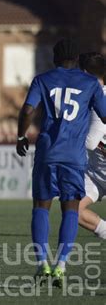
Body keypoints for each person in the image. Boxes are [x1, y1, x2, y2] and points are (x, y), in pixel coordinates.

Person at [16, 39, 106, 288]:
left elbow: (27, 110)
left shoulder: (42, 79)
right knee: (70, 209)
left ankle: (41, 263)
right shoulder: (89, 83)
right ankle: (61, 266)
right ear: (76, 60)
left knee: (41, 207)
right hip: (74, 158)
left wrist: (21, 136)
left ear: (54, 58)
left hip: (47, 153)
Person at [78, 52, 106, 239]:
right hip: (96, 173)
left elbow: (90, 143)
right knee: (73, 209)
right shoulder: (88, 96)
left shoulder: (101, 97)